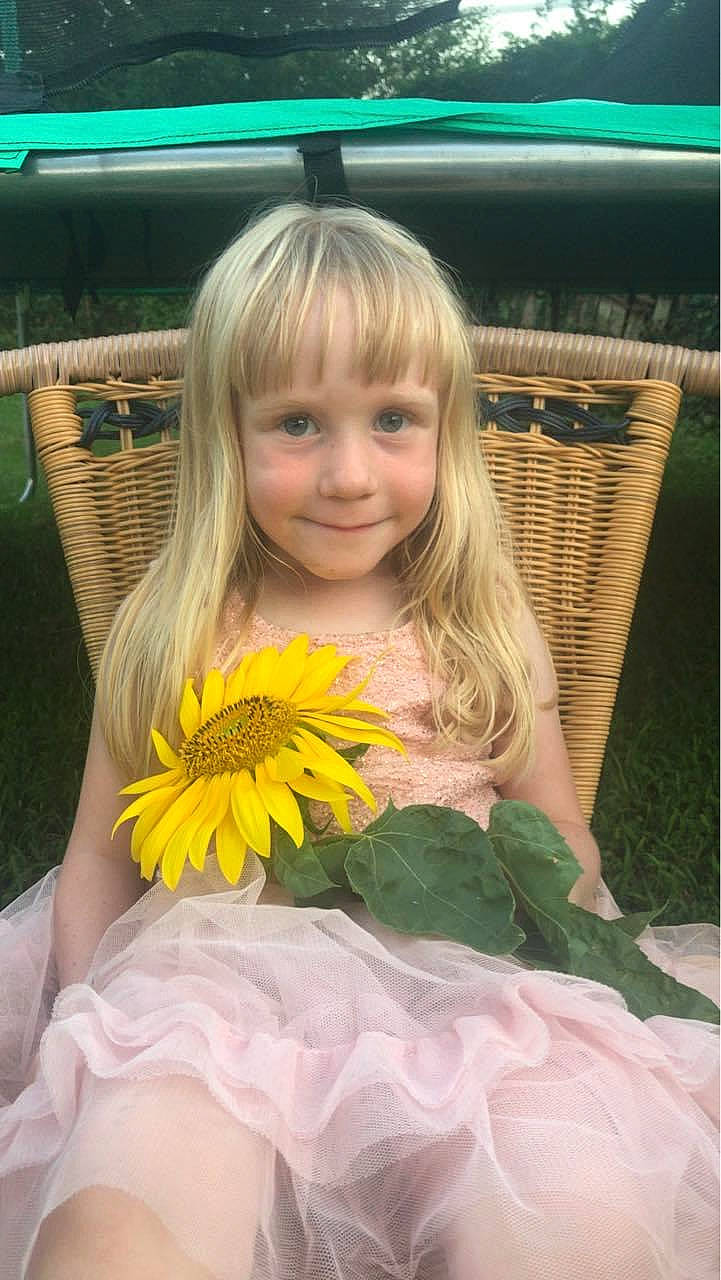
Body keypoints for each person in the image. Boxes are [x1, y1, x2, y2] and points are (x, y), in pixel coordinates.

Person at [0, 202, 717, 1280]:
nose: (348, 473)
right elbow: (102, 849)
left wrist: (530, 929)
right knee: (117, 1225)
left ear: (447, 426)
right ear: (225, 434)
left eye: (393, 418)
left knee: (577, 1215)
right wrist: (93, 1010)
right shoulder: (181, 622)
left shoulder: (476, 612)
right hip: (215, 998)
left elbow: (557, 821)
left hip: (474, 987)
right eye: (297, 423)